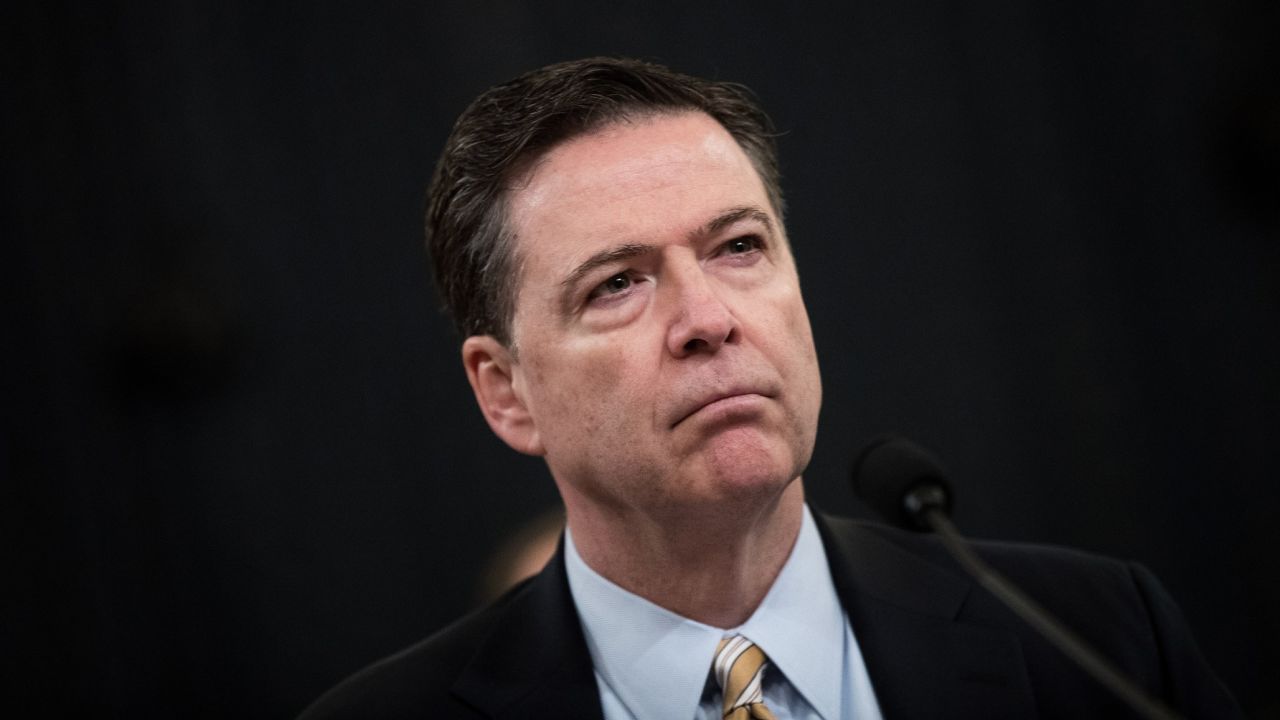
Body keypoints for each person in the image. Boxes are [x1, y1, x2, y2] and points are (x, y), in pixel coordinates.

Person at [300, 57, 1239, 719]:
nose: (708, 318)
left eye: (739, 247)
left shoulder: (1100, 644)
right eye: (617, 283)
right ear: (506, 393)